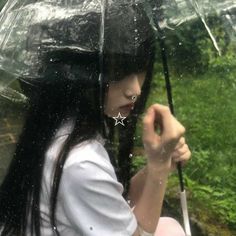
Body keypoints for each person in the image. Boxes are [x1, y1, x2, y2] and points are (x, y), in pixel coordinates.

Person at [0, 2, 191, 236]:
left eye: (140, 68)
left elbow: (115, 201)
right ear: (79, 75)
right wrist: (159, 168)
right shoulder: (80, 163)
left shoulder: (61, 124)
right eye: (117, 73)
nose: (135, 90)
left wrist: (157, 163)